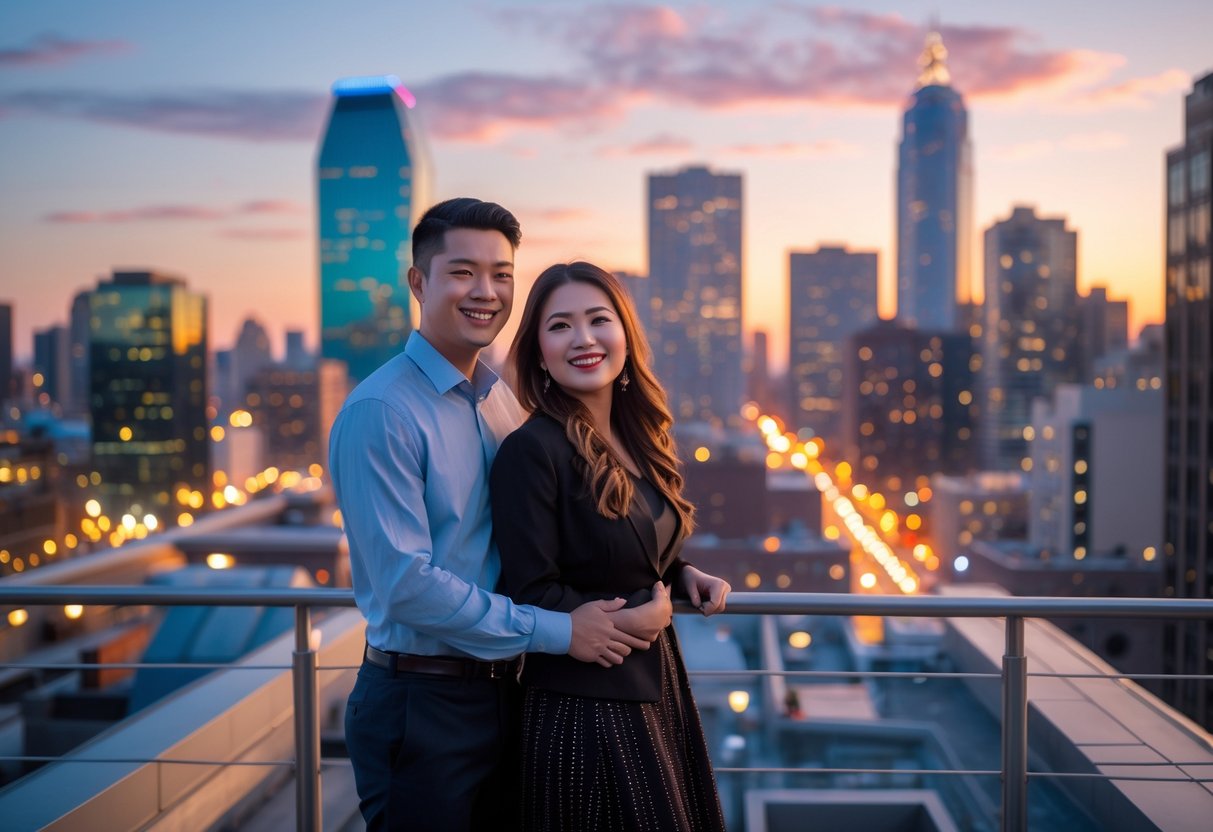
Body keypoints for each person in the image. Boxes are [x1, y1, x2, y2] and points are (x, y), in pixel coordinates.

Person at [329, 202, 667, 831]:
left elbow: (565, 524)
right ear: (418, 283)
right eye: (462, 272)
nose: (486, 292)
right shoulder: (382, 411)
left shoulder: (498, 400)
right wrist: (563, 632)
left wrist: (678, 567)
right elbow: (406, 586)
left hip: (509, 691)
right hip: (423, 700)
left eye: (502, 274)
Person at [491, 261, 730, 831]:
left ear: (624, 333)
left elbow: (628, 548)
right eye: (560, 326)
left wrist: (682, 575)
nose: (583, 339)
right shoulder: (532, 451)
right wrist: (640, 620)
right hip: (585, 710)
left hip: (656, 686)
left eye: (599, 319)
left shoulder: (637, 439)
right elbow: (530, 590)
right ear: (538, 350)